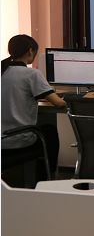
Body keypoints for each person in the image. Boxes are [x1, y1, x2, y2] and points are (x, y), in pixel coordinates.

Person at [1, 34, 65, 179]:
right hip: (16, 140)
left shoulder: (2, 70)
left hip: (2, 139)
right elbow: (58, 103)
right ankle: (46, 179)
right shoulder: (31, 74)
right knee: (49, 132)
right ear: (30, 51)